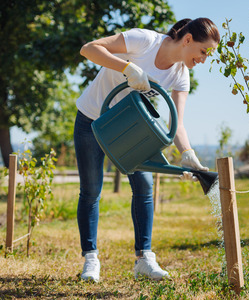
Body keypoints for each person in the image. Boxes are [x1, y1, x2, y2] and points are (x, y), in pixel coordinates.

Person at [74, 18, 220, 282]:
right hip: (92, 120)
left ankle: (144, 258)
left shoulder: (180, 74)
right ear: (187, 40)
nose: (204, 59)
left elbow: (177, 123)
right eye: (203, 51)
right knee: (91, 191)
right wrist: (128, 67)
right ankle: (91, 259)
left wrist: (188, 154)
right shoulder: (144, 41)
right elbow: (88, 48)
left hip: (128, 127)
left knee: (143, 188)